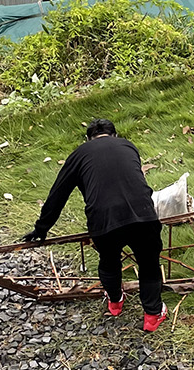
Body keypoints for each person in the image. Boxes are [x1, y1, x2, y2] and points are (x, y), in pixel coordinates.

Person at [26, 119, 168, 332]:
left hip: (103, 219)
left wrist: (41, 228)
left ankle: (115, 302)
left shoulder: (80, 153)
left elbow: (58, 193)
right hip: (143, 215)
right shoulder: (128, 146)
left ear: (88, 139)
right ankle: (152, 316)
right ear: (115, 135)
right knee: (148, 265)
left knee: (109, 261)